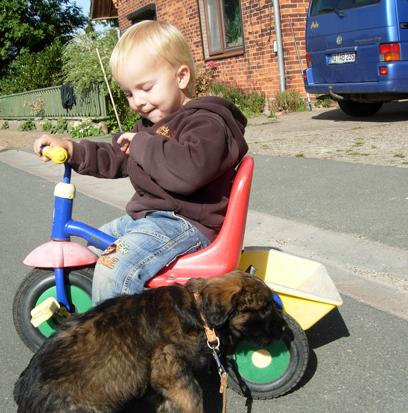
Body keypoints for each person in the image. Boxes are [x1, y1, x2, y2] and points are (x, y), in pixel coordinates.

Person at [34, 20, 248, 305]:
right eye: (128, 93)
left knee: (114, 265)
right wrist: (72, 149)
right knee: (95, 246)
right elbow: (115, 157)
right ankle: (99, 310)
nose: (137, 101)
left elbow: (189, 171)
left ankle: (115, 332)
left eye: (145, 88)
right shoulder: (149, 127)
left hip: (187, 225)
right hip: (149, 220)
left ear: (181, 77)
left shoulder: (207, 123)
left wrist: (141, 144)